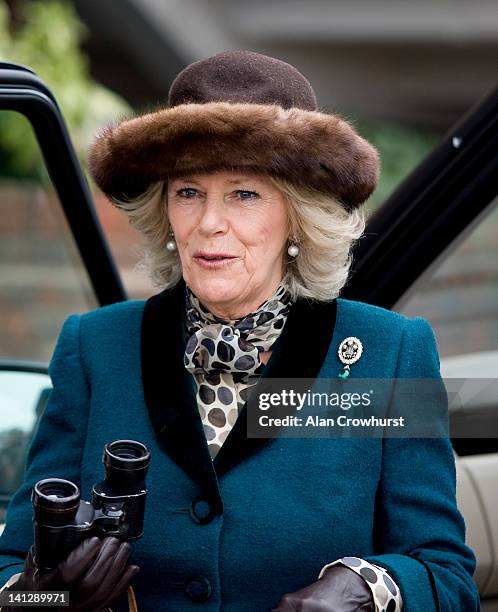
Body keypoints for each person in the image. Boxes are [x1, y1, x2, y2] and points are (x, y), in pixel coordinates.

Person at [0, 50, 479, 612]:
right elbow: (14, 564)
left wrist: (365, 587)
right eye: (188, 192)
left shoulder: (390, 352)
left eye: (244, 193)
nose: (208, 223)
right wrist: (43, 600)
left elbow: (445, 575)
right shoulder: (95, 346)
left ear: (298, 215)